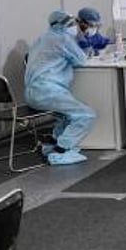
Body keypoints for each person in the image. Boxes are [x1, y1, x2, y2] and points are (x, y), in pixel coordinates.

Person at [24, 10, 96, 165]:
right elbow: (81, 60)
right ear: (63, 25)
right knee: (86, 115)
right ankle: (60, 151)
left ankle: (55, 142)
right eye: (72, 24)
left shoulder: (42, 37)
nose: (74, 26)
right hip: (46, 92)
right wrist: (81, 40)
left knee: (65, 114)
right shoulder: (63, 39)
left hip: (32, 93)